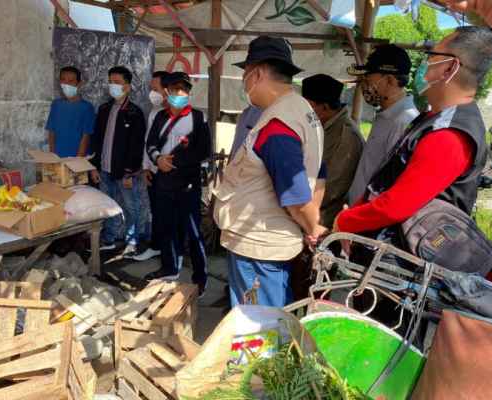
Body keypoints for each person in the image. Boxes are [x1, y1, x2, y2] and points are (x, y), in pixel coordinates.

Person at [334, 26, 492, 266]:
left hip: (406, 268)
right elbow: (383, 181)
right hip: (382, 256)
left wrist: (346, 221)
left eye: (432, 56)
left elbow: (396, 205)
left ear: (450, 68)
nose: (424, 63)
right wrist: (352, 217)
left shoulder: (451, 134)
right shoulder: (432, 119)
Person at [213, 36, 327, 308]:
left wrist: (312, 227)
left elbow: (297, 196)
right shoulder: (303, 111)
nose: (244, 83)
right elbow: (319, 173)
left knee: (257, 321)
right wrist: (312, 221)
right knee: (274, 312)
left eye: (245, 75)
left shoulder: (277, 126)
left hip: (258, 247)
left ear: (257, 73)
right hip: (268, 243)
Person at [143, 72, 211, 296]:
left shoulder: (198, 118)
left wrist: (175, 162)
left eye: (183, 90)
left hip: (187, 183)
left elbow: (204, 151)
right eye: (174, 90)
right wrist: (157, 160)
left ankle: (200, 278)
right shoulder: (160, 117)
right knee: (166, 227)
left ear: (188, 93)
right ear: (167, 92)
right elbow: (151, 144)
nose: (179, 94)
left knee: (193, 232)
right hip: (163, 181)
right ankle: (169, 268)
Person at [347, 45, 419, 204]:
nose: (365, 85)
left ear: (390, 80)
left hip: (369, 214)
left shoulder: (403, 122)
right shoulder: (386, 115)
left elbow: (392, 185)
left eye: (369, 79)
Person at [90, 66, 146, 253]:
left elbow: (137, 145)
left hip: (124, 172)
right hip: (104, 169)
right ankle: (109, 239)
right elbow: (96, 139)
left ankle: (132, 242)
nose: (112, 86)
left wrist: (130, 172)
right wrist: (94, 166)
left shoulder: (134, 113)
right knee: (107, 207)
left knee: (130, 207)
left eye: (117, 82)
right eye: (110, 82)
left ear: (127, 87)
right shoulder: (104, 109)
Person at [302, 74, 364, 229]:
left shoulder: (346, 136)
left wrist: (298, 207)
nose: (304, 112)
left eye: (308, 107)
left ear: (324, 107)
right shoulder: (321, 126)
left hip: (323, 221)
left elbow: (332, 189)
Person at [134, 70, 170, 262]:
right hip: (154, 171)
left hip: (170, 173)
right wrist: (146, 167)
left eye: (155, 89)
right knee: (156, 210)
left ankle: (171, 250)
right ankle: (156, 246)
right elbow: (148, 142)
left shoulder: (180, 114)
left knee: (169, 213)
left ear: (167, 90)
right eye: (151, 89)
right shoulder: (155, 112)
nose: (152, 93)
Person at [46, 66, 95, 157]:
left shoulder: (87, 108)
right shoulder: (56, 105)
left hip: (77, 158)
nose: (66, 84)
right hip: (57, 158)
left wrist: (77, 161)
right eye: (63, 80)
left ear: (79, 84)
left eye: (71, 81)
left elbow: (85, 137)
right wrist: (52, 157)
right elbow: (51, 133)